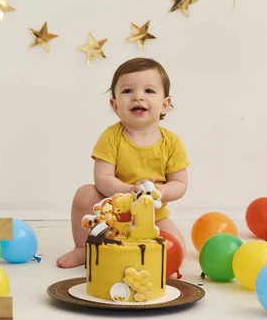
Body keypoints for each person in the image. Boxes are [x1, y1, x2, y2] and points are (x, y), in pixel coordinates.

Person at [56, 57, 190, 269]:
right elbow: (102, 178)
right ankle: (83, 248)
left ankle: (145, 259)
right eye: (128, 91)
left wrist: (161, 192)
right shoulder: (111, 137)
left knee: (177, 249)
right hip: (113, 212)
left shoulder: (171, 142)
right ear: (114, 104)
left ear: (165, 105)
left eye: (149, 91)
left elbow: (180, 184)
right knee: (85, 193)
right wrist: (130, 190)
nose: (138, 96)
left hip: (152, 215)